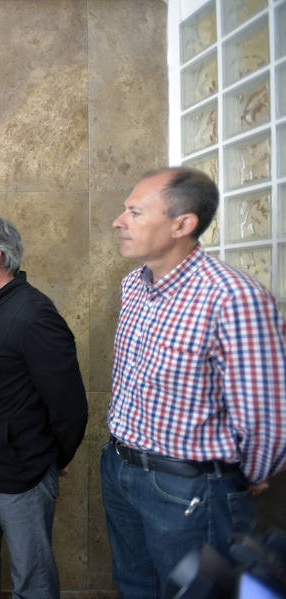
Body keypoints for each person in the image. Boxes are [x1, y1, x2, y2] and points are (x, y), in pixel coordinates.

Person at [102, 167, 286, 598]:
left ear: (182, 224)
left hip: (189, 491)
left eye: (134, 211)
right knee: (134, 587)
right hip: (121, 470)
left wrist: (244, 476)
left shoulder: (233, 297)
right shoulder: (133, 285)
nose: (118, 221)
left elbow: (267, 415)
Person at [0, 216, 87, 599]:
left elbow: (70, 404)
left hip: (24, 470)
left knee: (32, 577)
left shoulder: (34, 314)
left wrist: (51, 458)